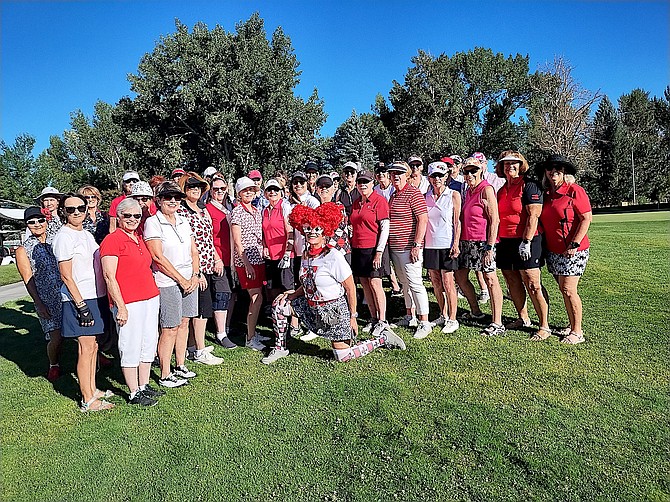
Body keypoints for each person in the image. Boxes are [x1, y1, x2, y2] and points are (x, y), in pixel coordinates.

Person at [262, 203, 406, 364]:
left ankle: (382, 338)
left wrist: (353, 317)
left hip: (334, 312)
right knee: (279, 304)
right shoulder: (305, 255)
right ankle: (280, 348)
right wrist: (293, 295)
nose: (312, 232)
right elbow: (308, 282)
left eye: (317, 229)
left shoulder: (333, 256)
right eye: (308, 228)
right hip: (312, 307)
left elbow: (350, 288)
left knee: (343, 356)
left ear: (325, 231)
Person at [52, 194, 113, 412]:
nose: (76, 212)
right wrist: (81, 306)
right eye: (71, 209)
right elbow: (66, 276)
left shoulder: (86, 234)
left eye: (80, 207)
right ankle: (87, 399)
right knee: (85, 348)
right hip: (79, 299)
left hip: (94, 295)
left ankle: (93, 389)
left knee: (93, 346)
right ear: (63, 212)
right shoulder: (64, 237)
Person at [100, 198, 163, 406]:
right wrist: (121, 306)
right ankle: (133, 391)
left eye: (137, 215)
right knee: (130, 344)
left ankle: (143, 385)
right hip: (129, 301)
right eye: (127, 215)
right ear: (119, 217)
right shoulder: (112, 240)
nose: (133, 219)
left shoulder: (139, 238)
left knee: (148, 342)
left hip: (150, 297)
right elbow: (109, 276)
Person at [144, 181, 200, 388]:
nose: (173, 201)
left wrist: (195, 274)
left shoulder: (184, 220)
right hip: (167, 281)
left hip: (188, 277)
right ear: (158, 200)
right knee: (169, 327)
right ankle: (165, 374)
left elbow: (194, 250)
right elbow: (157, 257)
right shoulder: (153, 222)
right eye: (168, 197)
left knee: (184, 323)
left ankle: (180, 364)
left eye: (177, 197)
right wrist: (181, 279)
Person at [537, 154, 592, 344]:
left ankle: (577, 332)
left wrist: (574, 244)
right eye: (550, 168)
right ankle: (571, 324)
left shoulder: (574, 191)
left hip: (574, 250)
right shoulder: (546, 195)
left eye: (558, 169)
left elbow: (586, 218)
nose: (554, 171)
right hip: (553, 250)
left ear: (564, 172)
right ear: (546, 172)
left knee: (569, 289)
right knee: (563, 289)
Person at [495, 151, 550, 340]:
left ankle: (544, 325)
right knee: (512, 281)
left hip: (528, 240)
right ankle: (523, 318)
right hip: (505, 241)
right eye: (505, 163)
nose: (510, 166)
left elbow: (533, 216)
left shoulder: (530, 186)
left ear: (521, 165)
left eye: (514, 163)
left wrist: (526, 242)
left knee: (533, 283)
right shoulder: (502, 190)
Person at [454, 156, 506, 336]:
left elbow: (495, 220)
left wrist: (490, 247)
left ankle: (497, 322)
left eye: (473, 171)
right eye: (466, 171)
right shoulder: (468, 191)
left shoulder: (486, 189)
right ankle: (475, 311)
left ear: (481, 171)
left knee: (491, 280)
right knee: (460, 278)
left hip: (483, 242)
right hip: (466, 241)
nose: (469, 174)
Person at [177, 173, 224, 365]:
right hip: (193, 268)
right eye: (190, 187)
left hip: (207, 263)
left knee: (201, 309)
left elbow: (208, 239)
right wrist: (198, 272)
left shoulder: (203, 209)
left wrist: (217, 258)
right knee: (201, 311)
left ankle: (192, 345)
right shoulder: (181, 212)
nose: (195, 189)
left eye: (198, 186)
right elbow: (187, 243)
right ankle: (200, 350)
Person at [15, 207, 64, 382]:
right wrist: (38, 303)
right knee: (56, 336)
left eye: (40, 220)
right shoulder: (23, 249)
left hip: (67, 293)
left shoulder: (57, 238)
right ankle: (54, 364)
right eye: (32, 222)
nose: (37, 224)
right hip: (47, 298)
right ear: (27, 225)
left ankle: (95, 358)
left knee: (82, 331)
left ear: (46, 220)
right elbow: (28, 278)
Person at [387, 161, 432, 339]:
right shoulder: (394, 195)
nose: (395, 176)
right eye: (392, 173)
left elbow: (422, 219)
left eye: (399, 173)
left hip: (409, 248)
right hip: (396, 247)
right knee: (404, 283)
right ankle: (409, 315)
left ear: (406, 175)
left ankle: (424, 322)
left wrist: (416, 244)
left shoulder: (413, 193)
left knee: (415, 284)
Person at [349, 170, 392, 336]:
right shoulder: (356, 202)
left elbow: (385, 228)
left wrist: (379, 252)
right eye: (360, 182)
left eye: (366, 182)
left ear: (372, 183)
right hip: (358, 248)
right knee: (365, 283)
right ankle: (373, 318)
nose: (362, 185)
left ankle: (382, 320)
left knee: (375, 283)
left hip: (374, 248)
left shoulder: (379, 201)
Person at [424, 162, 462, 335]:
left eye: (440, 175)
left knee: (448, 282)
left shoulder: (453, 194)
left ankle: (453, 319)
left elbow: (457, 221)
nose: (437, 179)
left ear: (446, 176)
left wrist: (456, 243)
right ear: (429, 178)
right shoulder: (426, 196)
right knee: (436, 282)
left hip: (447, 244)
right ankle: (443, 314)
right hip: (430, 245)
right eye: (434, 176)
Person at [230, 176, 267, 351]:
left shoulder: (256, 211)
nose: (249, 193)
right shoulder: (237, 212)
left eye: (251, 190)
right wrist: (246, 263)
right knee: (255, 297)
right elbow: (237, 242)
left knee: (258, 297)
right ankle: (250, 337)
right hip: (246, 260)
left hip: (258, 258)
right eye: (246, 190)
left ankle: (252, 333)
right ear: (239, 193)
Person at [205, 175, 237, 349]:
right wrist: (216, 257)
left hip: (230, 259)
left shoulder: (228, 208)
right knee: (222, 294)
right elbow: (207, 238)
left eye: (222, 189)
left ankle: (226, 327)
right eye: (216, 189)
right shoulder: (208, 209)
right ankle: (220, 333)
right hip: (218, 259)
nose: (219, 192)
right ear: (210, 190)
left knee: (231, 294)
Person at [262, 178, 294, 307]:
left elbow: (290, 232)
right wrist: (264, 247)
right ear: (265, 193)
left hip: (284, 255)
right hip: (271, 256)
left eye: (276, 190)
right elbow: (264, 232)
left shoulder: (284, 207)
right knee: (273, 288)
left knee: (288, 289)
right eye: (270, 190)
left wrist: (287, 253)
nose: (273, 192)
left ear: (281, 192)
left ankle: (293, 323)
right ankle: (277, 318)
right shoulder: (265, 210)